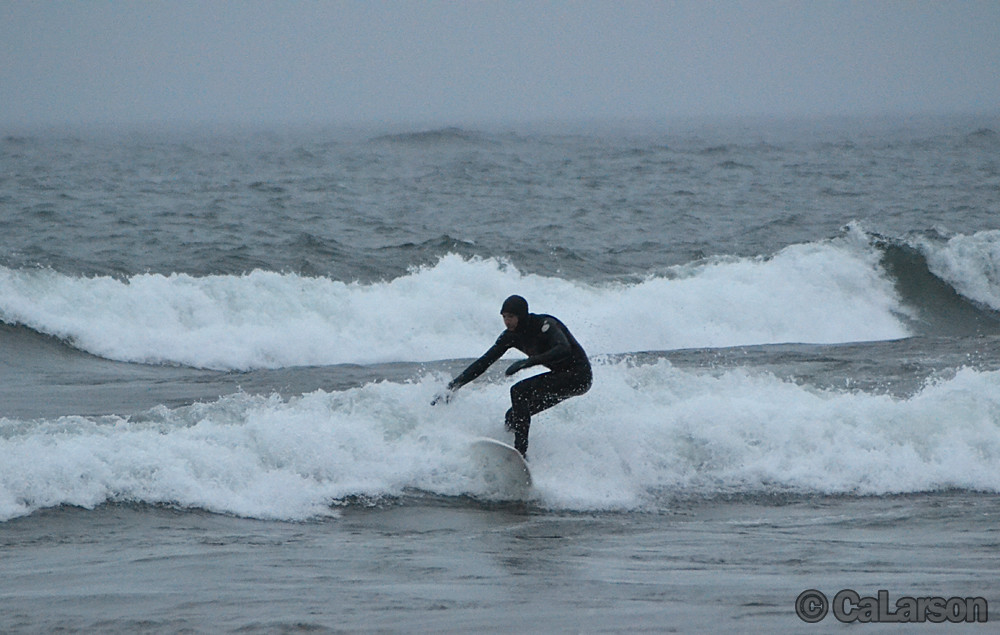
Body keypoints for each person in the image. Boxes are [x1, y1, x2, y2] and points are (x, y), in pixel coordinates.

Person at [431, 295, 591, 457]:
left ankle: (520, 452)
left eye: (511, 317)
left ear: (522, 316)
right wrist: (454, 386)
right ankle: (517, 461)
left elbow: (564, 348)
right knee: (512, 418)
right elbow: (484, 362)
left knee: (519, 391)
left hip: (579, 376)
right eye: (504, 317)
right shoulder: (510, 336)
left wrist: (529, 362)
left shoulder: (545, 325)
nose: (507, 321)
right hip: (562, 379)